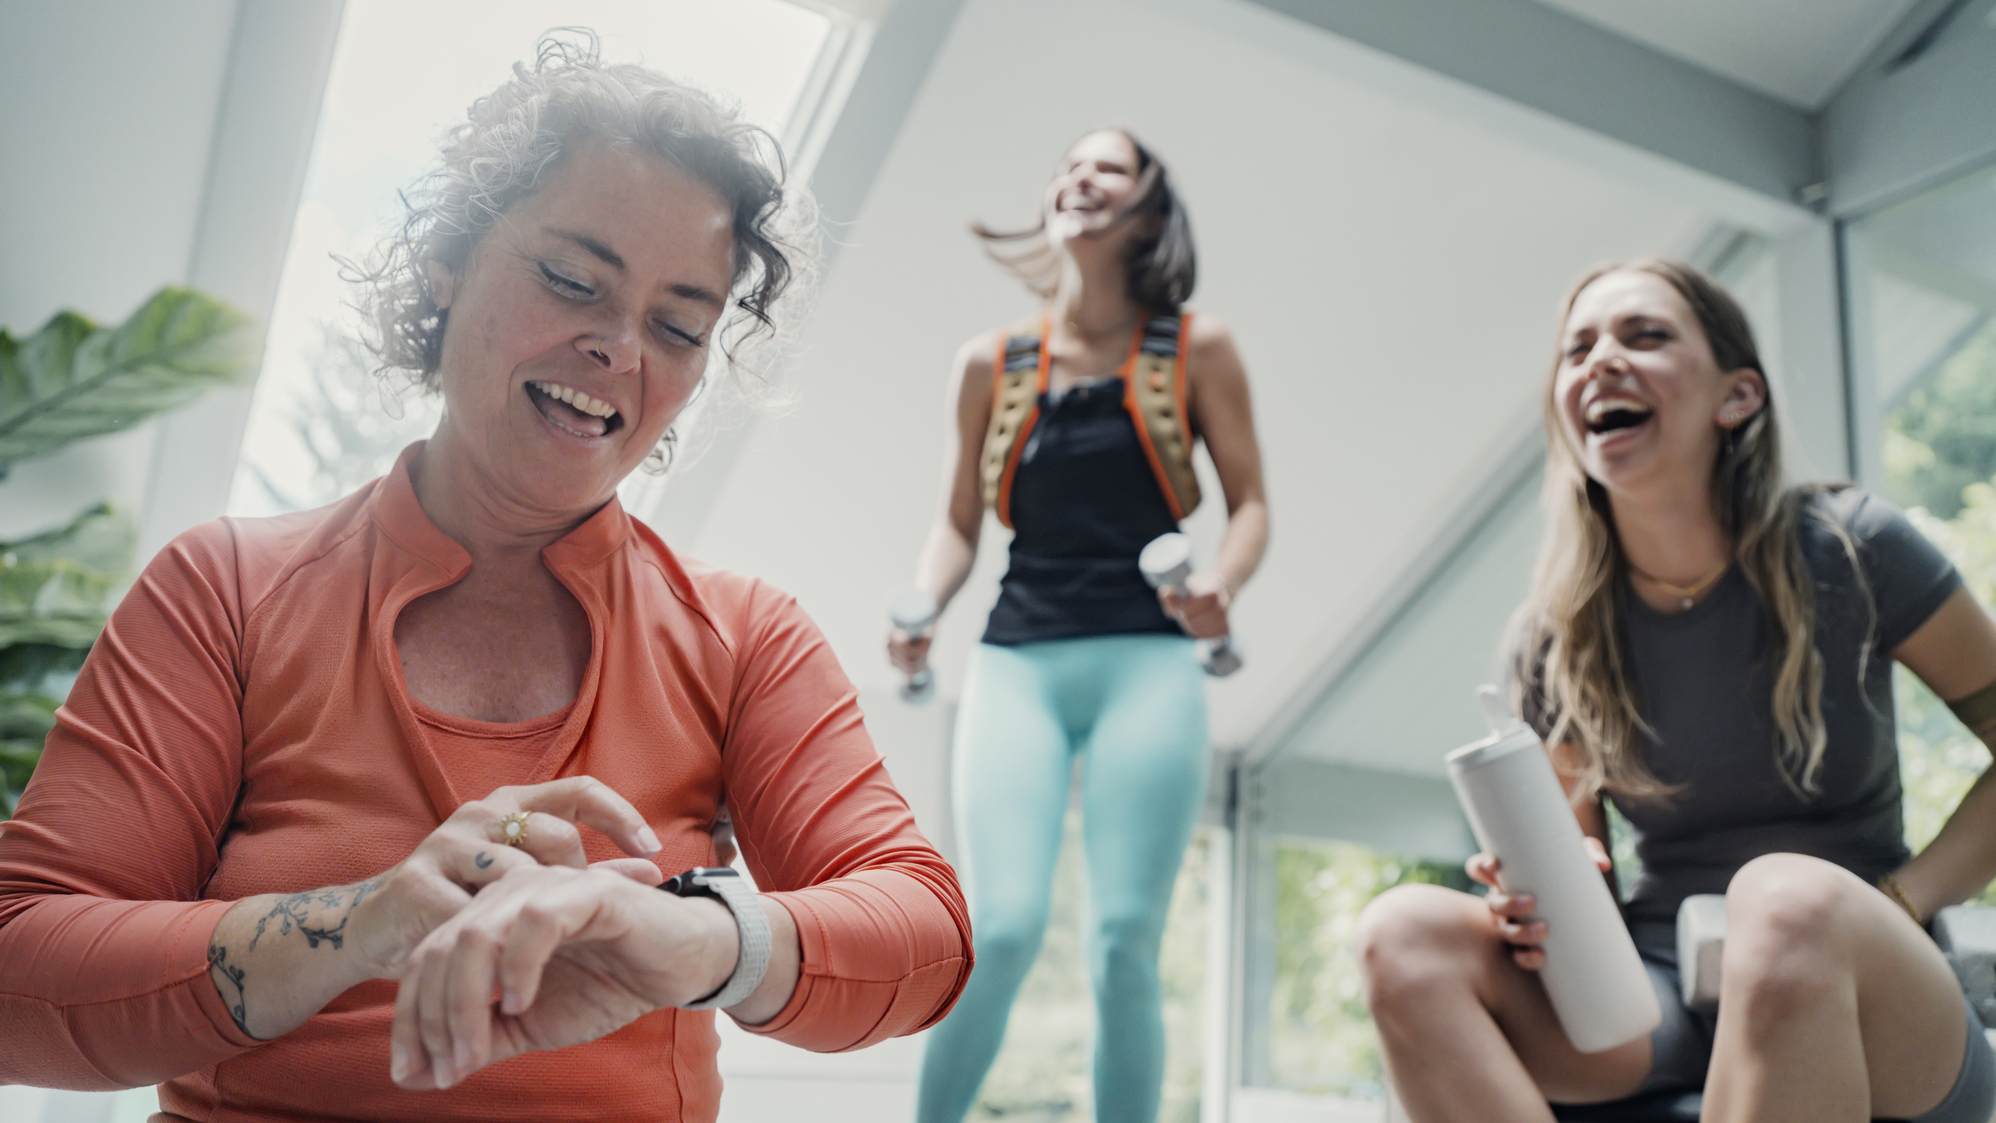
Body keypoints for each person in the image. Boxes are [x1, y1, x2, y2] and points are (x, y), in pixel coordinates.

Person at [0, 35, 970, 1122]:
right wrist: (362, 920)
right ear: (447, 260)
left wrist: (703, 934)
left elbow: (925, 931)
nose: (619, 348)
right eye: (572, 280)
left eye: (677, 325)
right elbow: (16, 970)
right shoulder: (222, 590)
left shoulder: (745, 634)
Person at [1355, 259, 1996, 1122]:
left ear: (1738, 396)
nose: (1601, 361)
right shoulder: (1552, 638)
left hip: (1859, 977)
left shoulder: (1856, 547)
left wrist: (1908, 898)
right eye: (1578, 348)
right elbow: (1583, 876)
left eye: (1645, 335)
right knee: (1400, 932)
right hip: (1653, 997)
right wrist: (1538, 904)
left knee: (1782, 898)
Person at [889, 128, 1269, 1123]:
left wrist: (1221, 583)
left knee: (1123, 942)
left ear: (1148, 211)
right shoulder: (991, 362)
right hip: (1018, 658)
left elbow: (1252, 506)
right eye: (1069, 165)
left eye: (1108, 167)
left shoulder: (1198, 348)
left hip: (1151, 661)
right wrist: (924, 605)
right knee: (1003, 927)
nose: (1080, 177)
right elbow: (957, 524)